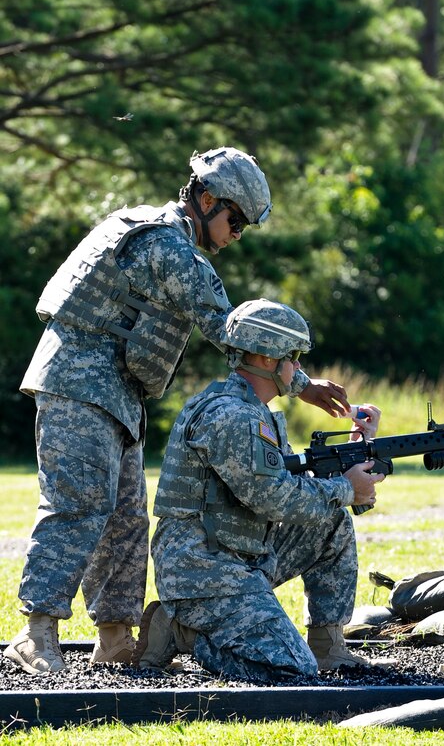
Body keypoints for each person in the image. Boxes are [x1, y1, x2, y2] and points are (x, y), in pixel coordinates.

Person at [6, 148, 350, 677]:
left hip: (116, 392)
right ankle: (37, 634)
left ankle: (115, 639)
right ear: (206, 198)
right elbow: (231, 329)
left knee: (124, 521)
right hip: (80, 385)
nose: (236, 234)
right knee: (77, 507)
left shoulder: (152, 230)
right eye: (234, 220)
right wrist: (300, 383)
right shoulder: (167, 245)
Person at [132, 298, 385, 681]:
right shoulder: (231, 416)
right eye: (294, 356)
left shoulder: (254, 411)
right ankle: (183, 631)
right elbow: (274, 497)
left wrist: (353, 454)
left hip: (243, 554)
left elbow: (293, 486)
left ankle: (327, 646)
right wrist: (346, 489)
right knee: (289, 668)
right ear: (267, 359)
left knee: (330, 520)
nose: (299, 369)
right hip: (203, 568)